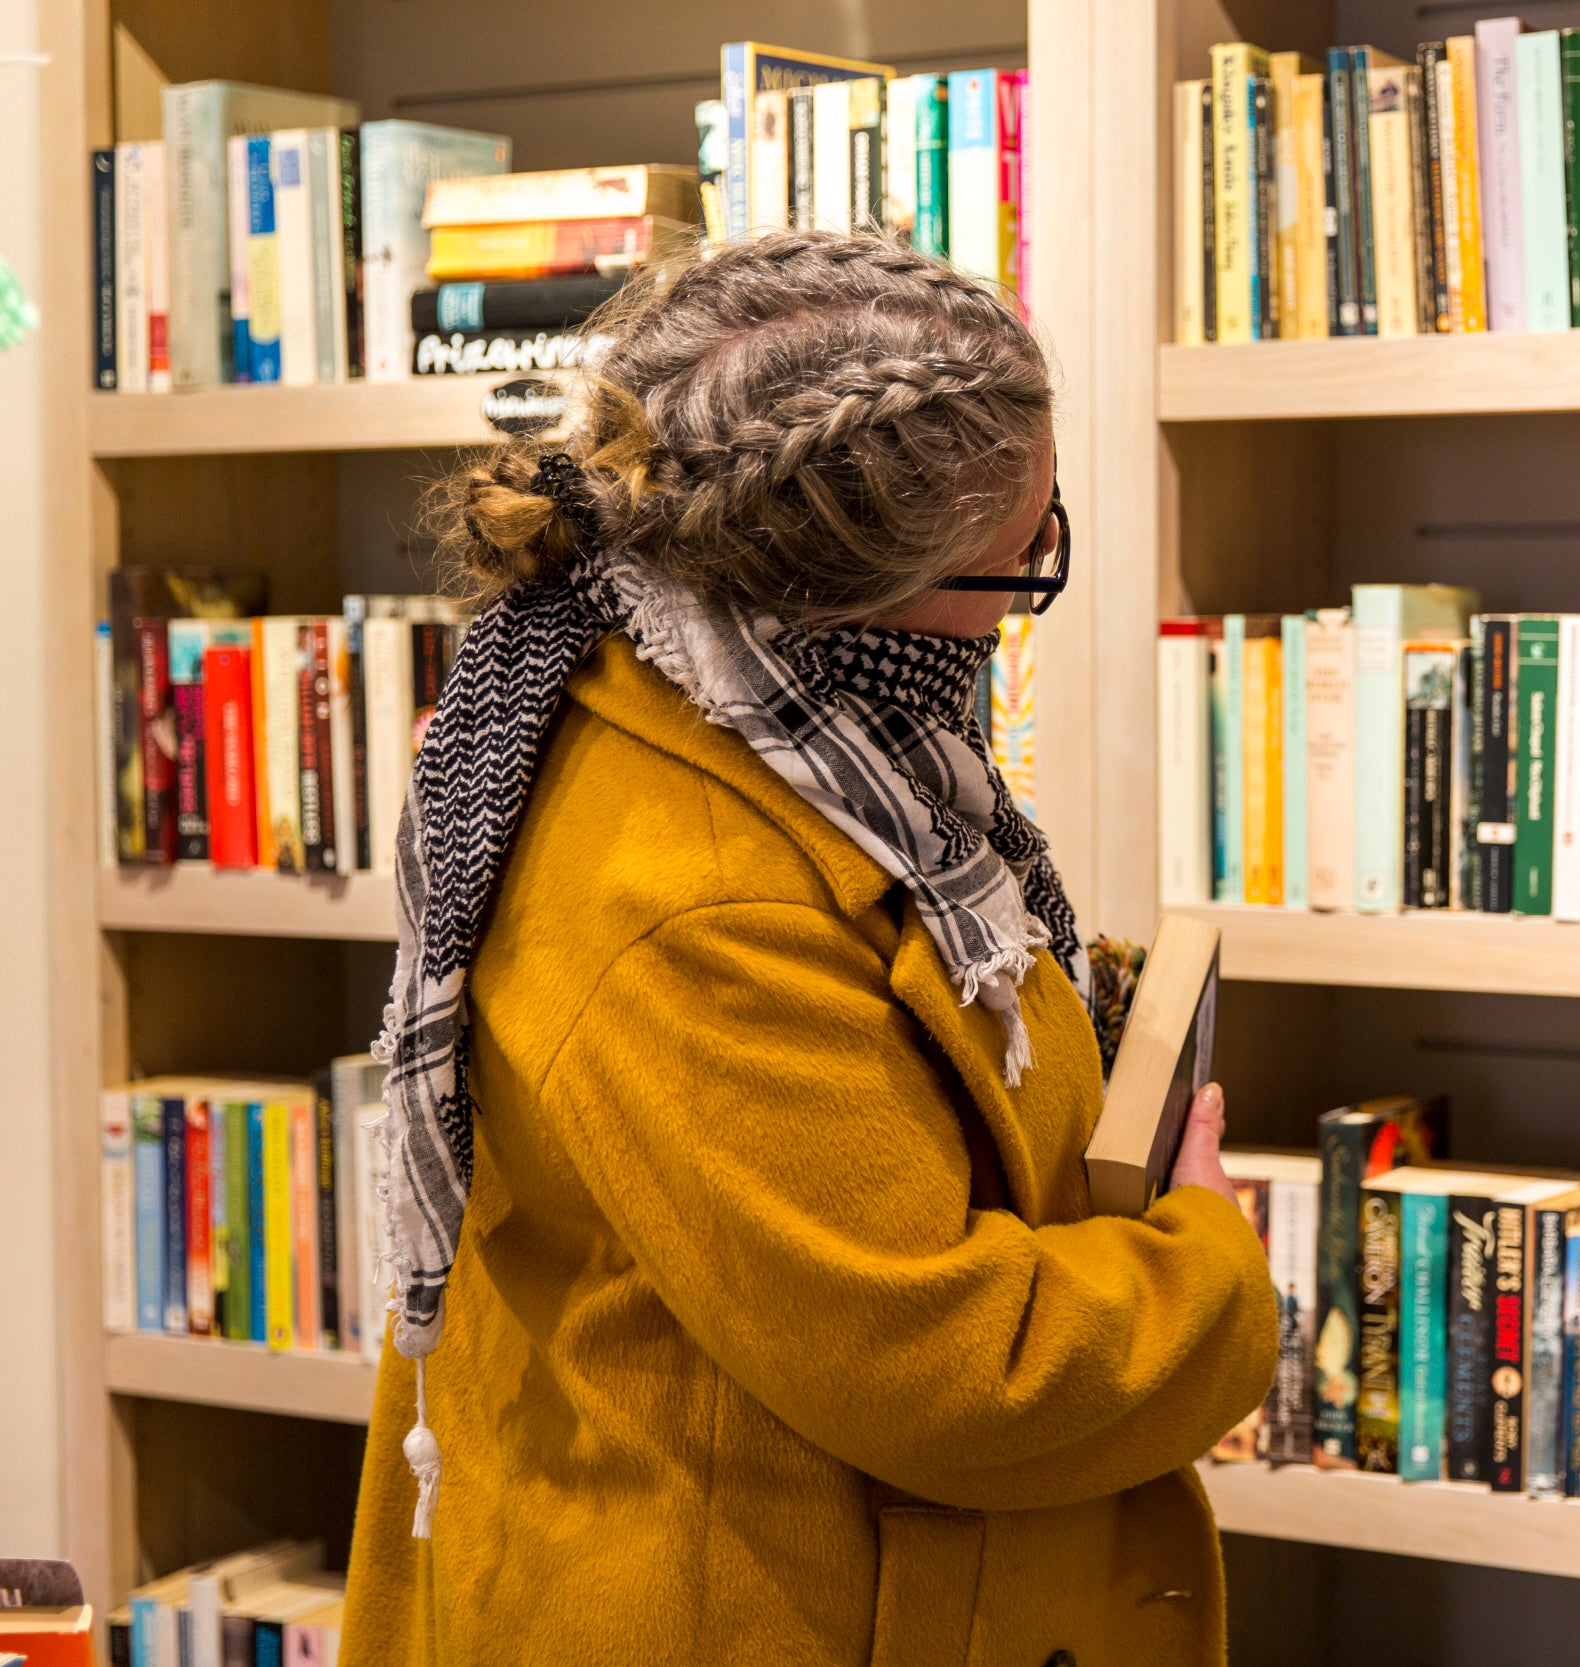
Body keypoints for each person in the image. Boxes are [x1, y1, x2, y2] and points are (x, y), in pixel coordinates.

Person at [341, 231, 1278, 1666]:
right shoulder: (699, 898)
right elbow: (960, 1374)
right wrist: (1206, 1253)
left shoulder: (787, 728)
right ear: (865, 591)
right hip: (755, 1608)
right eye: (1024, 558)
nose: (1033, 577)